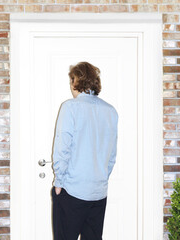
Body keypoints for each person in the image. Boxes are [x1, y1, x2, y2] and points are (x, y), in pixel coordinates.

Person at [51, 61, 118, 240]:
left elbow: (62, 148)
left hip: (72, 190)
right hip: (99, 192)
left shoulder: (70, 107)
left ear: (76, 82)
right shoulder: (111, 111)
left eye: (71, 81)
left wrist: (59, 181)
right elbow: (111, 155)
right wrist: (101, 178)